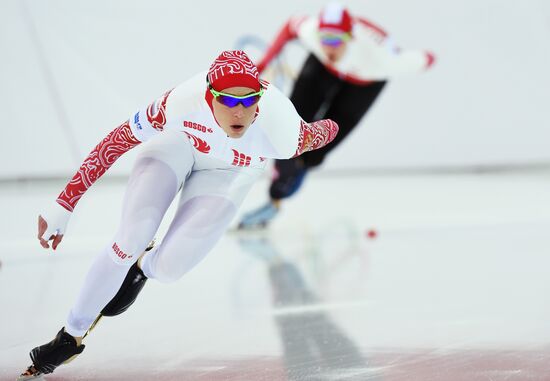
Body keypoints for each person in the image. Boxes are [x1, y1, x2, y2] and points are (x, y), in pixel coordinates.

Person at [18, 50, 339, 380]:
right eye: (227, 101)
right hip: (178, 145)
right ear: (208, 94)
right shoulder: (179, 102)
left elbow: (328, 129)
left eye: (249, 100)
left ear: (260, 97)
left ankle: (144, 266)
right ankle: (71, 335)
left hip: (231, 172)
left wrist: (323, 127)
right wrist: (65, 204)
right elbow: (113, 144)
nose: (239, 111)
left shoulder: (284, 129)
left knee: (169, 270)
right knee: (130, 238)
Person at [238, 2, 435, 229]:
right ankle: (277, 194)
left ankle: (290, 182)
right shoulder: (313, 34)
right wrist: (261, 65)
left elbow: (426, 59)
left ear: (350, 38)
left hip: (366, 79)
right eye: (325, 38)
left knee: (319, 147)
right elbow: (290, 27)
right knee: (289, 131)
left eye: (335, 41)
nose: (329, 46)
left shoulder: (386, 60)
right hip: (324, 68)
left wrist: (422, 57)